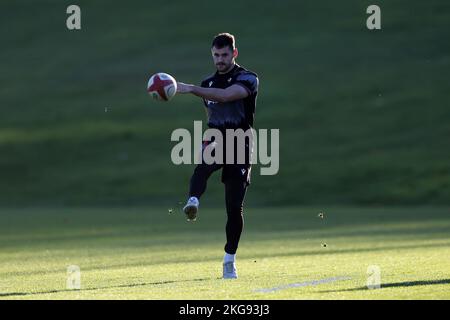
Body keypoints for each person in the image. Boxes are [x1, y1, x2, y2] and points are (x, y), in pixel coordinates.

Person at [176, 33, 259, 279]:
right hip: (217, 139)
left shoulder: (248, 78)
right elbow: (211, 115)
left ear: (234, 53)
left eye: (224, 55)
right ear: (212, 54)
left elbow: (225, 97)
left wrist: (190, 88)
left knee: (234, 208)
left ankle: (229, 259)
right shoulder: (208, 83)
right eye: (216, 55)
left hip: (241, 143)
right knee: (202, 168)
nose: (220, 60)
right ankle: (193, 201)